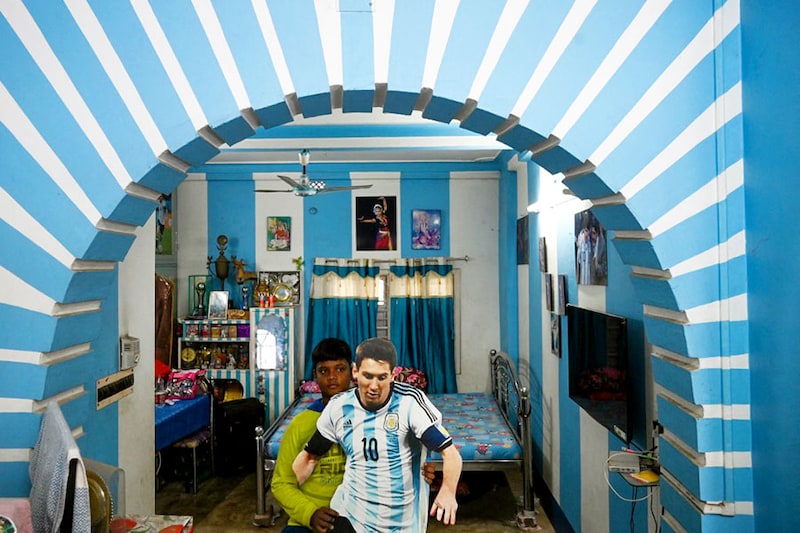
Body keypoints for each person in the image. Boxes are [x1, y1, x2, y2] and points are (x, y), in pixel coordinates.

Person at [293, 338, 463, 532]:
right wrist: (295, 499)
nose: (374, 386)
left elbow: (450, 454)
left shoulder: (410, 403)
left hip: (401, 521)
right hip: (351, 515)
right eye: (367, 376)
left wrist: (448, 492)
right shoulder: (339, 406)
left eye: (381, 377)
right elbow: (309, 457)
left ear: (392, 375)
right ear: (356, 371)